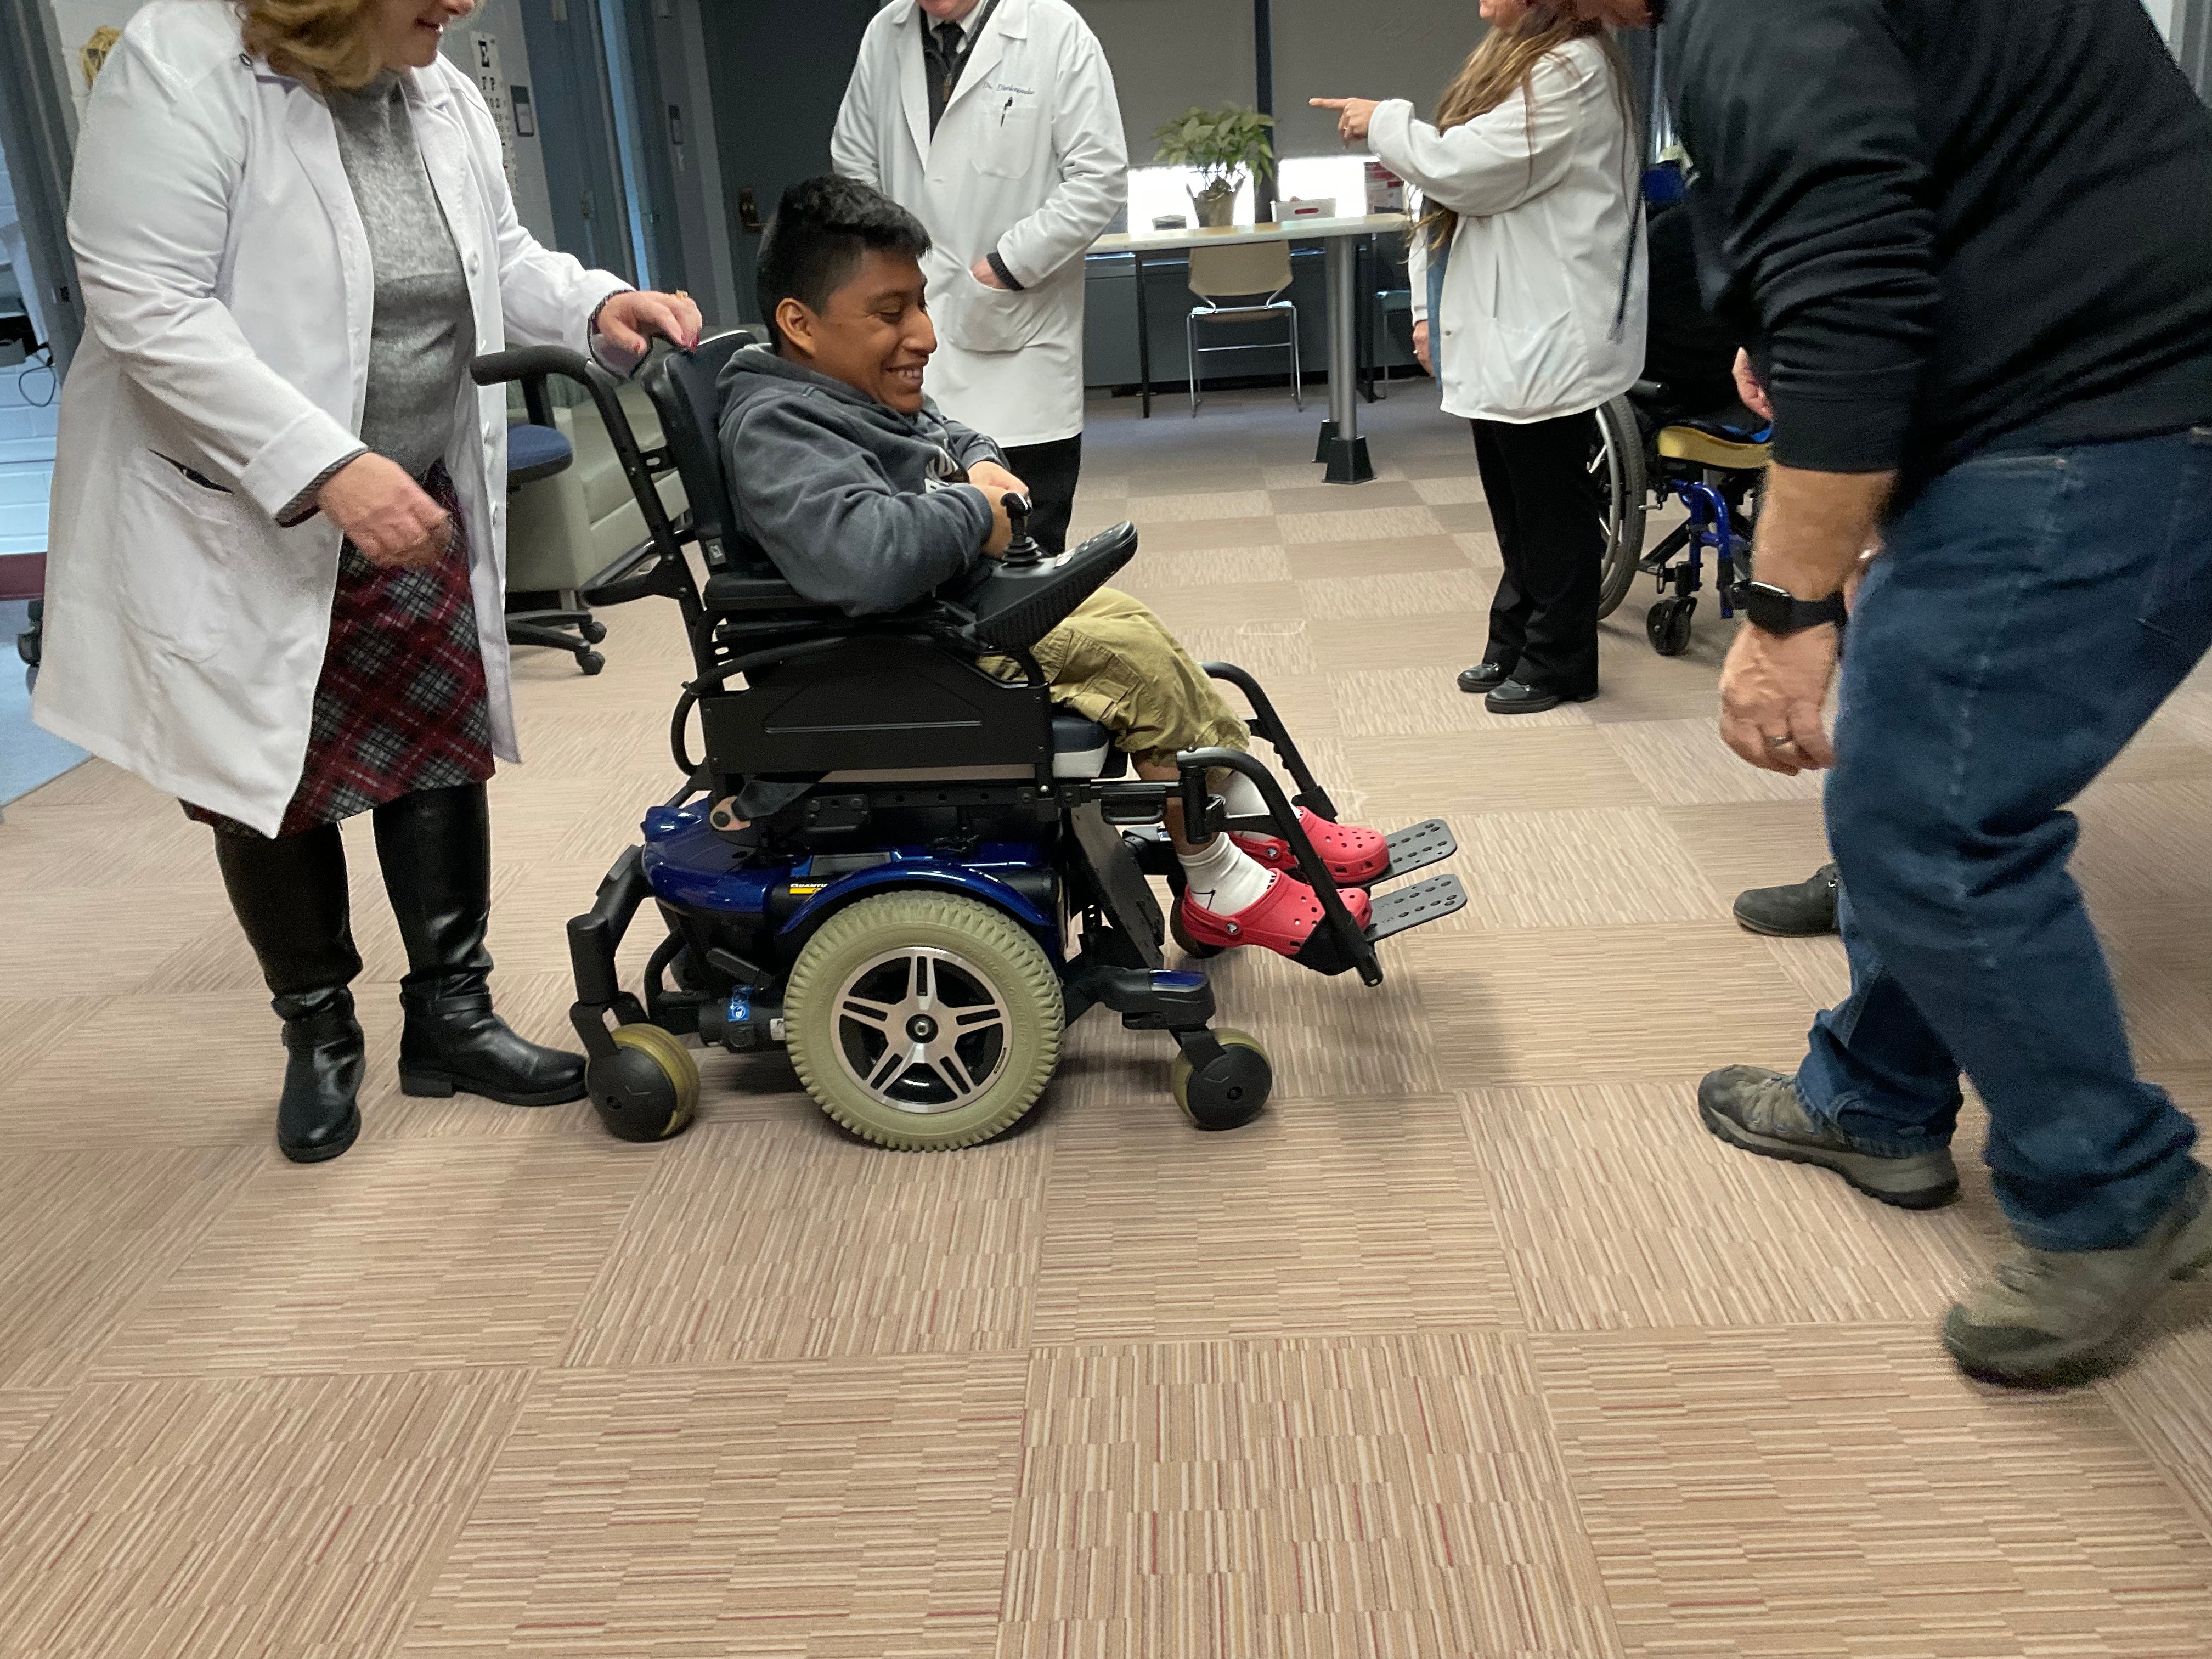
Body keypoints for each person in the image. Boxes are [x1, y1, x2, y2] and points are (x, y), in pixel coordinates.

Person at [1589, 0, 2212, 1387]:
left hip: (2109, 416)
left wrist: (1788, 610)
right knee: (1905, 779)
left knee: (1929, 820)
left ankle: (2125, 1196)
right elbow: (1910, 189)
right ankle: (1874, 1097)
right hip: (2080, 396)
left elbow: (1861, 297)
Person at [31, 0, 702, 1164]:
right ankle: (320, 1031)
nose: (464, 7)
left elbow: (495, 255)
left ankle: (451, 1016)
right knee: (268, 778)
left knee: (438, 748)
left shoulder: (430, 83)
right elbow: (149, 305)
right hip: (246, 509)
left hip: (412, 491)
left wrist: (592, 300)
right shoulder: (183, 66)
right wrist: (324, 465)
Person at [716, 177, 1392, 963]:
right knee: (1126, 660)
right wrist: (975, 511)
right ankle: (1214, 881)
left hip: (942, 620)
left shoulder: (847, 389)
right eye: (891, 312)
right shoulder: (777, 426)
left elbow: (947, 430)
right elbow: (866, 560)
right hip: (888, 656)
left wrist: (980, 465)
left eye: (922, 304)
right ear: (800, 323)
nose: (926, 335)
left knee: (1128, 622)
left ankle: (1240, 809)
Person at [1314, 0, 1646, 716]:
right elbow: (1457, 172)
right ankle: (1517, 636)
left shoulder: (1572, 67)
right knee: (1512, 489)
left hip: (1545, 322)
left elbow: (1467, 168)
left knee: (1549, 496)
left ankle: (1561, 660)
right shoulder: (1528, 57)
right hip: (1508, 320)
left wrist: (1384, 121)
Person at [830, 0, 1126, 557]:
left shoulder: (1053, 30)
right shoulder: (884, 33)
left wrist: (1005, 267)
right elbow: (853, 164)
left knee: (1026, 558)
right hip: (907, 351)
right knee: (928, 552)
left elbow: (1100, 180)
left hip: (1017, 345)